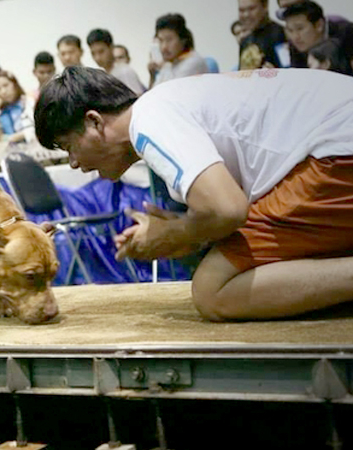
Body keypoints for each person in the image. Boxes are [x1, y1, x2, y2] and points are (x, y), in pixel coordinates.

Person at [35, 66, 353, 321]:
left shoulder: (149, 119)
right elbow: (225, 212)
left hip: (336, 150)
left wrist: (175, 233)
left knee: (213, 290)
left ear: (94, 121)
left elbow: (228, 210)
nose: (73, 162)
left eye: (68, 146)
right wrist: (187, 234)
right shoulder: (163, 103)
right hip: (333, 142)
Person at [282, 1, 353, 70]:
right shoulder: (296, 45)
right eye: (290, 30)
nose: (295, 37)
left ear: (319, 25)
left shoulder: (347, 34)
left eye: (300, 28)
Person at [148, 14, 209, 88]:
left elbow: (171, 91)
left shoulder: (194, 62)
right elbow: (153, 93)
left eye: (169, 40)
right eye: (161, 40)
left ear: (183, 40)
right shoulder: (169, 64)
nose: (164, 47)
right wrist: (152, 76)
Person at [87, 28, 146, 95]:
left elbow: (137, 97)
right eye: (93, 53)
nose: (97, 58)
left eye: (101, 52)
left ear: (111, 47)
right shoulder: (103, 76)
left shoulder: (124, 72)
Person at [238, 0, 289, 69]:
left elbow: (288, 69)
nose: (246, 15)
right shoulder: (245, 41)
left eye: (251, 9)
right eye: (241, 10)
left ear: (265, 7)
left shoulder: (279, 34)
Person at [0, 71, 35, 145]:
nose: (3, 91)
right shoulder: (0, 112)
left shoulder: (28, 102)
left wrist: (16, 137)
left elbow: (36, 129)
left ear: (14, 84)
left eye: (6, 85)